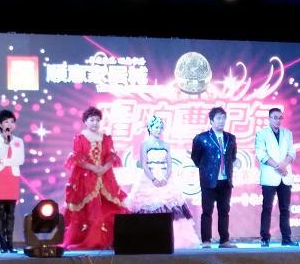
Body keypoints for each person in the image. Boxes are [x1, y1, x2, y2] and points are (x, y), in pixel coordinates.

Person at [123, 116, 200, 249]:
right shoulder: (145, 145)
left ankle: (174, 240)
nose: (159, 130)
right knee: (147, 205)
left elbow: (169, 164)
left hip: (165, 178)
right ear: (150, 128)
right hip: (148, 177)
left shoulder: (165, 145)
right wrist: (153, 179)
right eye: (156, 127)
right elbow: (144, 164)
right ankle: (149, 240)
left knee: (171, 206)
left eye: (161, 128)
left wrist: (165, 178)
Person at [62, 107, 127, 250]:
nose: (95, 123)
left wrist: (104, 168)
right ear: (85, 121)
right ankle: (89, 241)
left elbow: (111, 156)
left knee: (108, 209)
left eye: (97, 120)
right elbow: (78, 158)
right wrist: (93, 168)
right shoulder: (80, 138)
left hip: (105, 177)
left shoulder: (106, 138)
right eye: (92, 120)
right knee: (91, 210)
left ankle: (105, 240)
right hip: (86, 178)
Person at [191, 107, 237, 249]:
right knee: (207, 212)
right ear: (211, 121)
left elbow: (232, 157)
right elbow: (196, 158)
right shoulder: (201, 138)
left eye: (223, 118)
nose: (221, 121)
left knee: (224, 211)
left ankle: (224, 240)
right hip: (208, 181)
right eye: (218, 118)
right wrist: (207, 169)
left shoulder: (230, 138)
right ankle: (206, 241)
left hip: (225, 181)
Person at [255, 108, 299, 247]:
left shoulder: (287, 133)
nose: (278, 120)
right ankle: (265, 238)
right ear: (269, 118)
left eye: (280, 117)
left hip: (285, 176)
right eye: (275, 117)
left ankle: (286, 238)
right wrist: (278, 166)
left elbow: (292, 152)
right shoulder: (261, 134)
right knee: (267, 208)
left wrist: (283, 165)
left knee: (285, 209)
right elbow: (261, 154)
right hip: (270, 177)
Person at [0, 109, 24, 253]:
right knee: (0, 210)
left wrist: (4, 161)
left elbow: (20, 160)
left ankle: (10, 243)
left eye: (12, 121)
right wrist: (5, 141)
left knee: (10, 212)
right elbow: (0, 154)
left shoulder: (19, 141)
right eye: (6, 121)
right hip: (0, 177)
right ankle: (2, 243)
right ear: (0, 125)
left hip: (12, 178)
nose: (10, 124)